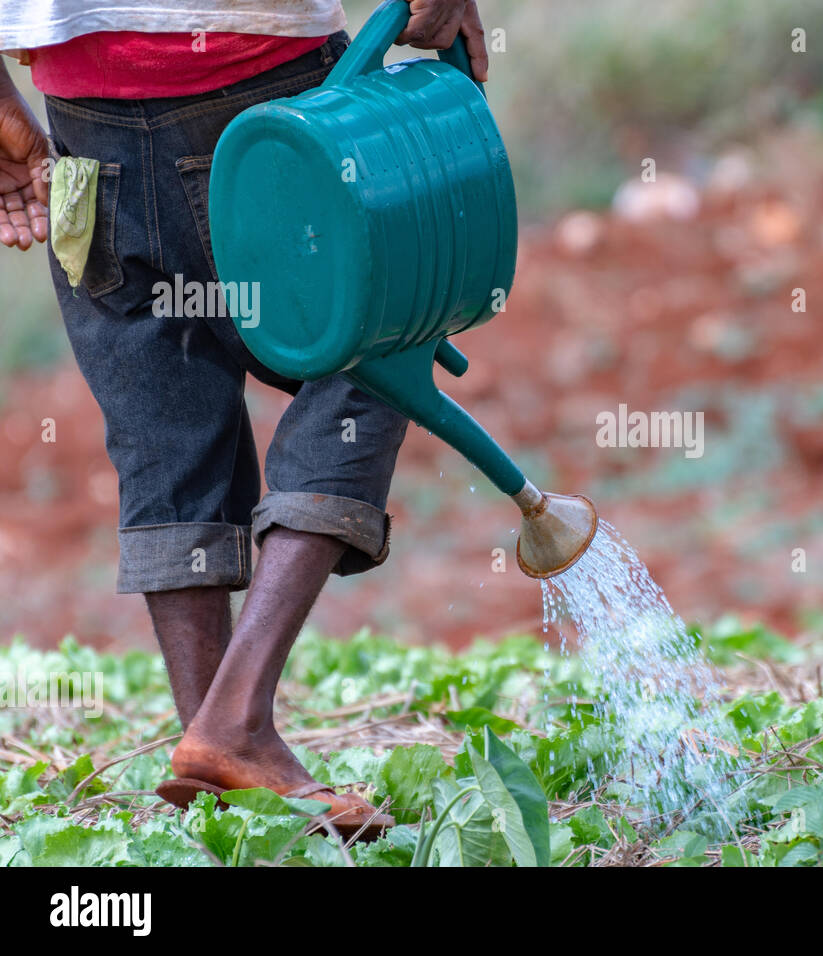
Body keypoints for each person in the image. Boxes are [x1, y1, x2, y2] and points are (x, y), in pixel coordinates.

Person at [0, 0, 490, 839]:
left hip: (85, 125)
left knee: (163, 421)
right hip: (275, 91)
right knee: (378, 350)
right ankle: (236, 723)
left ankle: (221, 760)